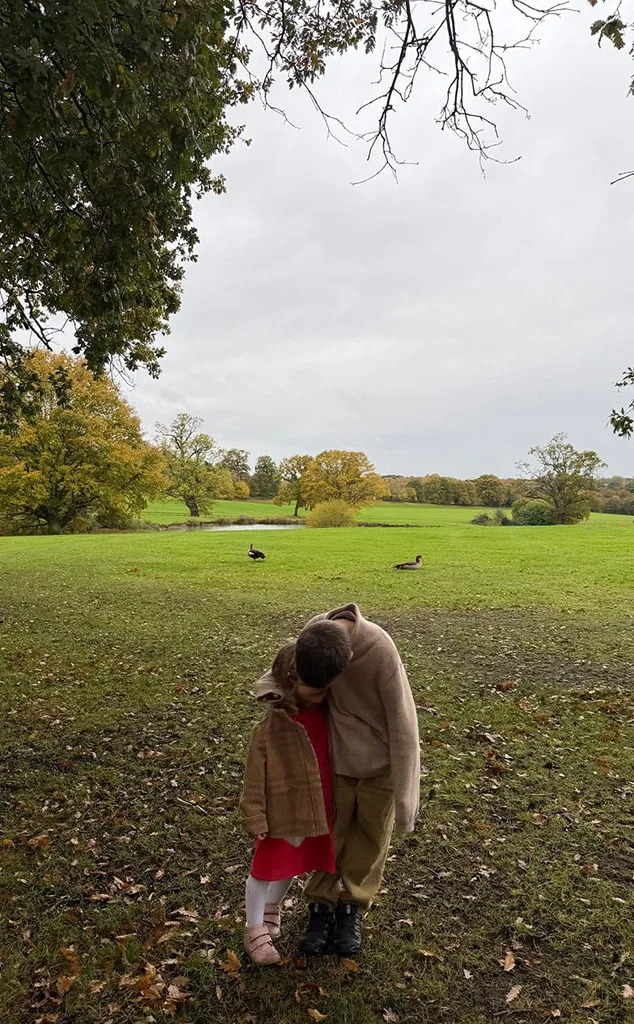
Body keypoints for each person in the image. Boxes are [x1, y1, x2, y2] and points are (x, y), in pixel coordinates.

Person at [295, 603, 421, 958]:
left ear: (348, 658)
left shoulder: (380, 650)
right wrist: (273, 691)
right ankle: (320, 904)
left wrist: (406, 797)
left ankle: (352, 905)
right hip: (335, 759)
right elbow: (289, 671)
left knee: (369, 835)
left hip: (378, 767)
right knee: (328, 834)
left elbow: (404, 723)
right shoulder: (315, 635)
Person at [239, 639, 347, 965]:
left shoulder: (327, 714)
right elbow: (254, 778)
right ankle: (253, 927)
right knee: (265, 869)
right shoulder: (270, 729)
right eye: (315, 690)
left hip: (315, 809)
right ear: (290, 684)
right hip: (281, 813)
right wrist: (255, 816)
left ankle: (272, 910)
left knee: (291, 866)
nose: (322, 694)